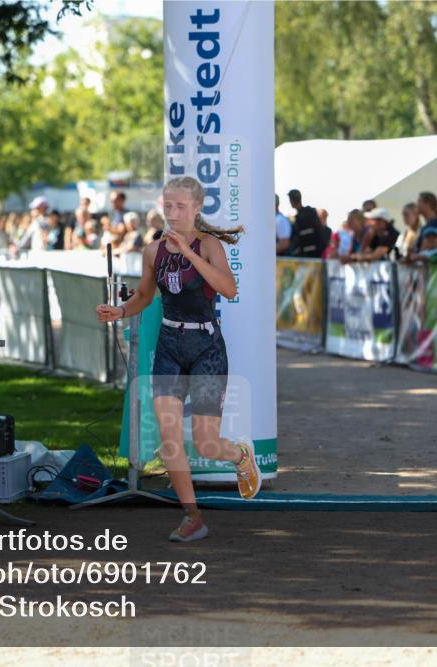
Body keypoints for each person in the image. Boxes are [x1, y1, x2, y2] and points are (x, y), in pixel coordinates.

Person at [95, 175, 261, 542]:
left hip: (206, 348)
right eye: (167, 205)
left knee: (205, 443)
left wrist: (187, 253)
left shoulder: (208, 245)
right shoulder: (153, 251)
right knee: (170, 435)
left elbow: (229, 289)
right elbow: (143, 296)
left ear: (197, 208)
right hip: (170, 344)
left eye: (180, 206)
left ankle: (239, 456)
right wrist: (120, 311)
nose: (172, 212)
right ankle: (192, 517)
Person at [287, 189, 327, 258]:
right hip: (316, 254)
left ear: (291, 201)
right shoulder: (311, 212)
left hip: (308, 256)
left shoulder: (298, 218)